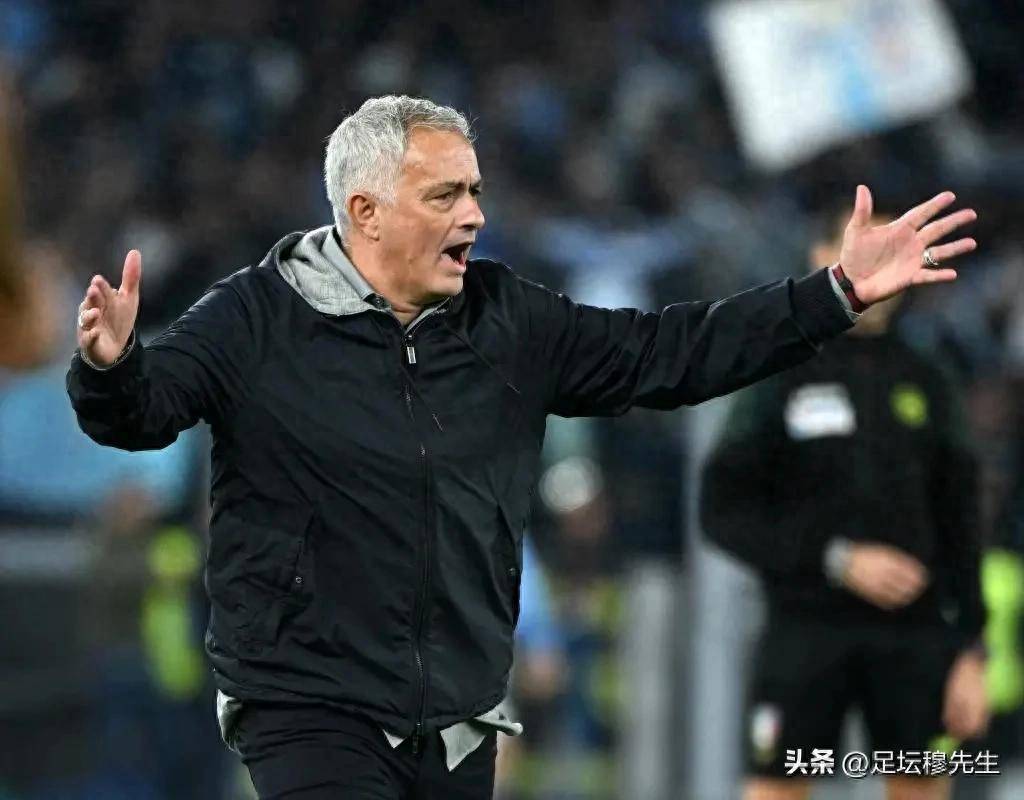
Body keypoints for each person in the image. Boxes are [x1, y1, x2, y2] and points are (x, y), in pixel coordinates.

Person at [66, 95, 977, 800]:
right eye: (445, 195)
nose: (473, 215)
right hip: (307, 703)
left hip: (458, 715)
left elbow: (669, 352)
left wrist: (831, 295)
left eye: (475, 192)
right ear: (366, 211)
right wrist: (110, 367)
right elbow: (144, 410)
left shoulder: (508, 322)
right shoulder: (255, 317)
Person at [700, 209, 989, 800]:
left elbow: (963, 521)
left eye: (892, 247)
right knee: (777, 787)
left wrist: (971, 650)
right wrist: (835, 559)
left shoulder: (929, 380)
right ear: (821, 255)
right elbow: (722, 511)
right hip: (803, 629)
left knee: (919, 786)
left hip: (914, 635)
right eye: (865, 244)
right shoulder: (779, 372)